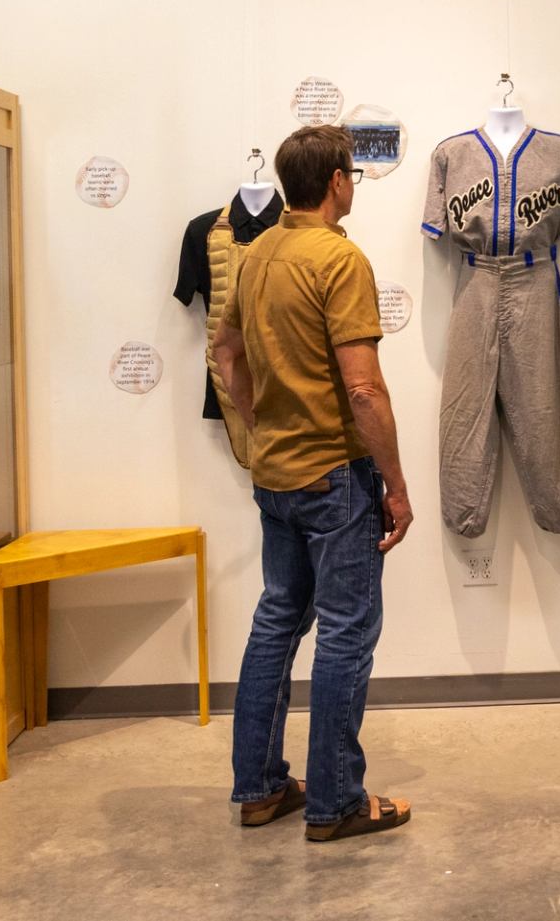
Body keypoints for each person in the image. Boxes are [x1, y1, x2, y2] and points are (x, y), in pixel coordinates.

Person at [211, 124, 415, 842]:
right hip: (334, 474)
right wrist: (394, 482)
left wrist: (259, 419)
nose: (353, 182)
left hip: (276, 473)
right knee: (346, 632)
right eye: (352, 173)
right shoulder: (339, 258)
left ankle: (261, 787)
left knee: (277, 618)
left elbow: (225, 350)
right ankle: (335, 800)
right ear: (334, 181)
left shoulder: (258, 250)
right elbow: (363, 390)